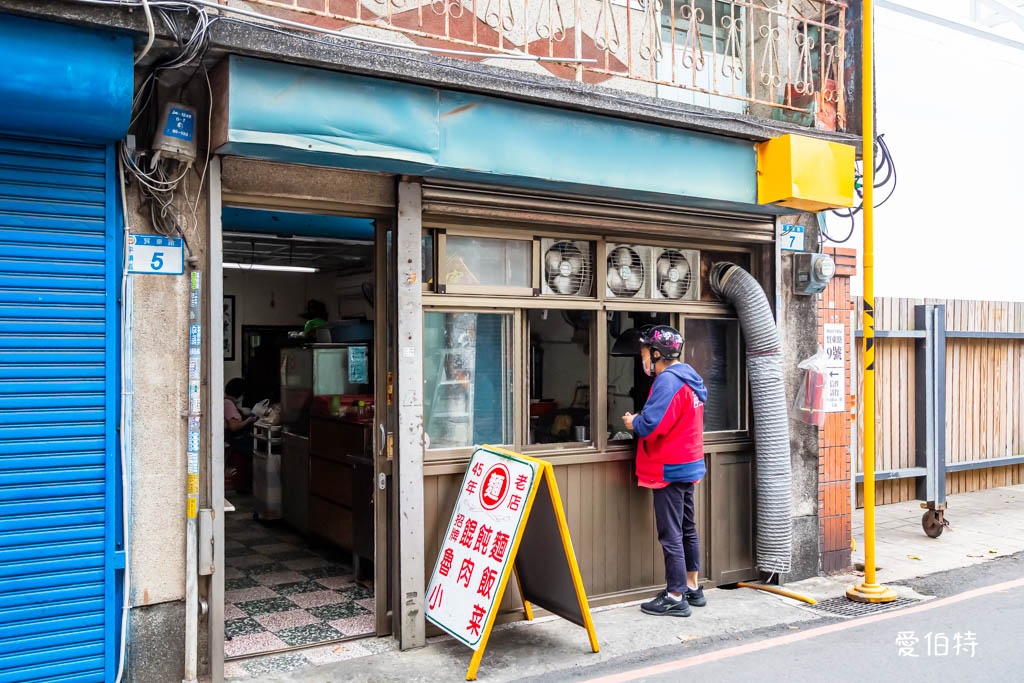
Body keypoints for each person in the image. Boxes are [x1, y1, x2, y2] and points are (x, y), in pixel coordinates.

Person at [622, 325, 708, 617]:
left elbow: (652, 426)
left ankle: (674, 595)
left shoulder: (667, 381)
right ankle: (692, 586)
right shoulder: (689, 377)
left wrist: (634, 422)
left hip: (670, 467)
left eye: (645, 353)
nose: (643, 359)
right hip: (689, 462)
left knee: (670, 533)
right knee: (687, 528)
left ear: (657, 354)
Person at [225, 377, 258, 493]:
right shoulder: (228, 404)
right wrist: (249, 420)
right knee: (257, 452)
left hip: (236, 440)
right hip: (236, 441)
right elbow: (234, 426)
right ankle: (249, 486)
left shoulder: (228, 402)